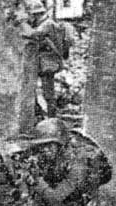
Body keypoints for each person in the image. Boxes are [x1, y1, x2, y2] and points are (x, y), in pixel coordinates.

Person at [14, 0, 74, 133]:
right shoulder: (46, 23)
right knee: (41, 91)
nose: (32, 17)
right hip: (44, 62)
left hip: (48, 63)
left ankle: (53, 120)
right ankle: (42, 115)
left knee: (48, 93)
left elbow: (34, 35)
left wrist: (21, 25)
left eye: (33, 15)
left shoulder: (47, 24)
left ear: (37, 14)